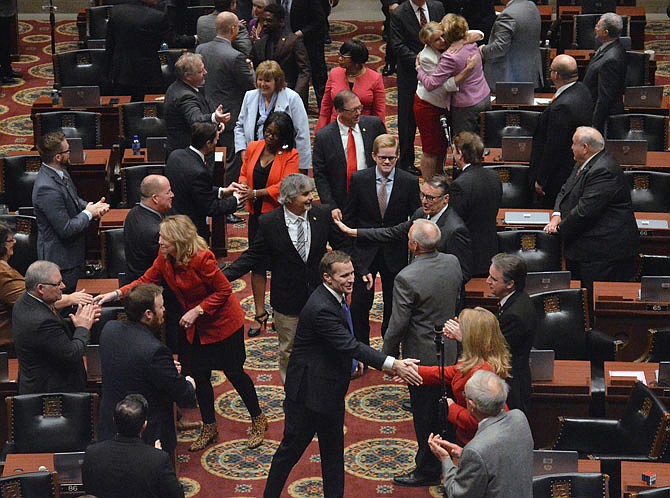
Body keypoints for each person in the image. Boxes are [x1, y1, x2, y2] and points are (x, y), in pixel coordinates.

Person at [95, 215, 266, 451]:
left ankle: (258, 419)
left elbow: (224, 289)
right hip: (193, 327)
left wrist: (198, 310)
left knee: (235, 373)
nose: (160, 241)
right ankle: (209, 425)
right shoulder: (164, 258)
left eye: (165, 237)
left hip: (222, 324)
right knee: (200, 375)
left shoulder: (202, 259)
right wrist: (115, 295)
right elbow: (145, 280)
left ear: (179, 240)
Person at [263, 250, 423, 498]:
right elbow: (350, 345)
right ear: (327, 278)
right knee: (290, 452)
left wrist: (348, 363)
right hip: (308, 396)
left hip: (329, 389)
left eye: (352, 273)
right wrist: (393, 364)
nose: (351, 279)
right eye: (344, 275)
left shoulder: (335, 296)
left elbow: (342, 342)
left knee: (333, 453)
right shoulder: (321, 308)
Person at [224, 174, 346, 382]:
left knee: (324, 347)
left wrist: (358, 270)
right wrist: (221, 277)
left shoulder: (322, 214)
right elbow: (252, 257)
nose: (311, 198)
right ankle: (293, 394)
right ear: (289, 199)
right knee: (289, 351)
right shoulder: (270, 222)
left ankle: (319, 389)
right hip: (288, 301)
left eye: (310, 192)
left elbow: (342, 246)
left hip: (320, 298)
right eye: (305, 194)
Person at [384, 219, 462, 487]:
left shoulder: (407, 277)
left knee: (425, 415)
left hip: (422, 358)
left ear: (414, 245)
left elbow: (398, 324)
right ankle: (450, 459)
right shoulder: (453, 262)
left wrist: (389, 359)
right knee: (448, 409)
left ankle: (427, 469)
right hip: (452, 349)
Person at [98, 284, 196, 455]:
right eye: (161, 306)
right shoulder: (155, 350)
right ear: (148, 314)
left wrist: (164, 368)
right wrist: (189, 383)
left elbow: (131, 365)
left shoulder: (109, 329)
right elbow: (183, 395)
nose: (164, 310)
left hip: (111, 425)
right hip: (145, 433)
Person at [544, 126, 639, 296]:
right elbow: (565, 191)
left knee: (596, 302)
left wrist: (558, 230)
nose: (571, 147)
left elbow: (585, 211)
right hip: (588, 249)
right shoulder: (583, 163)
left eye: (574, 143)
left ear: (585, 148)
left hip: (604, 253)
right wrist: (556, 215)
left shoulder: (604, 170)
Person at [343, 134, 420, 344]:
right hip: (364, 254)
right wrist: (354, 261)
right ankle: (361, 351)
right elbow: (349, 221)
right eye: (383, 158)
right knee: (359, 305)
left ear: (397, 157)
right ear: (374, 156)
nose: (387, 162)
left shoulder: (409, 182)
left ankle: (389, 350)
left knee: (393, 305)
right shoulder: (359, 179)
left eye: (392, 158)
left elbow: (416, 219)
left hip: (394, 253)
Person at [335, 174, 473, 284]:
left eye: (430, 198)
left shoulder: (455, 230)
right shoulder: (421, 213)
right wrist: (355, 232)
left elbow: (463, 273)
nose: (424, 201)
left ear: (446, 199)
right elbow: (393, 232)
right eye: (422, 195)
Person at [236, 111, 300, 337]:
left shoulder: (290, 155)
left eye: (275, 134)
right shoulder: (254, 146)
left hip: (278, 218)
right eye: (268, 132)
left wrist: (257, 192)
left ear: (284, 136)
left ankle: (280, 314)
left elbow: (286, 186)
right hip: (256, 217)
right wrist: (245, 187)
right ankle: (259, 313)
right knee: (257, 265)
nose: (270, 137)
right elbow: (244, 172)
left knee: (281, 266)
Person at [428, 370, 533, 498]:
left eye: (464, 395)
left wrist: (445, 459)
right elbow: (501, 458)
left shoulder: (476, 449)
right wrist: (463, 454)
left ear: (471, 405)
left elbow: (457, 493)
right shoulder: (519, 418)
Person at [415, 307, 511, 445]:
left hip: (476, 442)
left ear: (472, 336)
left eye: (461, 327)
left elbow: (478, 419)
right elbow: (451, 372)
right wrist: (413, 371)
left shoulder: (483, 372)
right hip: (468, 437)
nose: (456, 328)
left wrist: (451, 408)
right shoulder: (478, 358)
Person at [0, 222, 93, 356]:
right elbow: (32, 302)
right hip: (9, 346)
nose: (14, 242)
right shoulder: (3, 273)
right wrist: (71, 299)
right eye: (10, 240)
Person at [33, 131, 110, 292]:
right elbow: (66, 229)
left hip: (73, 254)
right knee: (65, 305)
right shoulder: (46, 188)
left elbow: (74, 200)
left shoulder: (59, 172)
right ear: (58, 157)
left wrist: (92, 207)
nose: (71, 153)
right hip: (61, 262)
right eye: (67, 150)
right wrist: (88, 213)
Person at [12, 260, 99, 394]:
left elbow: (52, 335)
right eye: (58, 284)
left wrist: (78, 320)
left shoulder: (25, 301)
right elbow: (72, 353)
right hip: (52, 394)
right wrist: (83, 327)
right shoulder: (41, 321)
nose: (63, 286)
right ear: (40, 288)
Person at [82, 394, 185, 498]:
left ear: (114, 420)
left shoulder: (92, 453)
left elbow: (89, 490)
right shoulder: (158, 459)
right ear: (144, 425)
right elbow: (177, 495)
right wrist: (156, 456)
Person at [196, 10, 256, 185]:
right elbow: (251, 86)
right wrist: (250, 68)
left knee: (208, 157)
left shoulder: (201, 49)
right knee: (230, 160)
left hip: (207, 111)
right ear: (233, 29)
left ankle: (210, 192)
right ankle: (228, 199)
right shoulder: (236, 57)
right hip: (230, 115)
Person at [414, 21, 479, 179]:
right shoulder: (427, 58)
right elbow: (442, 86)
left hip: (443, 105)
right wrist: (467, 70)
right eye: (437, 39)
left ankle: (439, 175)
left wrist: (463, 40)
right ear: (428, 43)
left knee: (442, 145)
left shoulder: (449, 43)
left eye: (443, 36)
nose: (442, 40)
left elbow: (479, 33)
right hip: (428, 106)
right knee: (430, 149)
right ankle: (430, 183)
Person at [530, 54, 593, 208]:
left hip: (559, 173)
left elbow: (553, 146)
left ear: (556, 75)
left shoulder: (562, 107)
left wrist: (541, 179)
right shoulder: (582, 89)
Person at [313, 89, 387, 221]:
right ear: (339, 111)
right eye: (353, 110)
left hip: (372, 197)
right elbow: (320, 175)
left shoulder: (374, 125)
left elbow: (388, 154)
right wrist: (331, 205)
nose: (358, 113)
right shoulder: (324, 137)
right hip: (342, 202)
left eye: (360, 107)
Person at [390, 0, 445, 174]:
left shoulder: (438, 7)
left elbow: (446, 36)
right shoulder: (399, 14)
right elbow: (398, 45)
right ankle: (406, 162)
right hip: (409, 74)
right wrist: (421, 60)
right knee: (407, 119)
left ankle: (439, 164)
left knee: (437, 117)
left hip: (439, 71)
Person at [416, 14, 491, 136]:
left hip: (466, 105)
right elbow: (478, 34)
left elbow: (431, 84)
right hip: (484, 96)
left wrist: (418, 69)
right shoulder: (470, 42)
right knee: (482, 141)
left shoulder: (450, 56)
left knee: (465, 145)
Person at [105, 0, 196, 100]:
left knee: (124, 110)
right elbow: (174, 41)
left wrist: (108, 73)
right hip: (147, 75)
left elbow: (109, 46)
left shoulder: (116, 12)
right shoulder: (157, 17)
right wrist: (195, 38)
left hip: (120, 73)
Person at [166, 122, 241, 240]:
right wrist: (236, 200)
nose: (217, 143)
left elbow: (194, 189)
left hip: (171, 221)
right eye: (216, 140)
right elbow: (210, 207)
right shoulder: (199, 172)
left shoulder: (175, 155)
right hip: (189, 230)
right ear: (208, 143)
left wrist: (222, 191)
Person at [235, 60, 311, 174]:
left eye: (267, 80)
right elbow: (239, 127)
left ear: (277, 81)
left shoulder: (292, 98)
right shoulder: (249, 96)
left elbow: (302, 134)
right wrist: (243, 150)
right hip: (254, 158)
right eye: (260, 79)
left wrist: (301, 166)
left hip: (283, 159)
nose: (262, 84)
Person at [486, 253, 536, 414]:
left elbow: (494, 348)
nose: (488, 281)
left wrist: (464, 336)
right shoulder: (518, 299)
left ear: (510, 284)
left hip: (512, 385)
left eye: (494, 279)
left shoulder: (514, 314)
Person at [450, 131, 502, 277]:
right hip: (490, 246)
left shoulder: (460, 185)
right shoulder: (494, 177)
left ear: (460, 154)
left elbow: (455, 222)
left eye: (454, 151)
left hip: (468, 252)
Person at [164, 52, 231, 159]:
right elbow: (195, 120)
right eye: (200, 71)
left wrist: (216, 122)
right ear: (187, 76)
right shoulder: (184, 96)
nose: (205, 72)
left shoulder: (180, 86)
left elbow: (204, 105)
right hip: (187, 156)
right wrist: (214, 117)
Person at [315, 40, 386, 132]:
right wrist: (320, 130)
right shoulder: (334, 73)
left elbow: (379, 111)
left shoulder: (375, 78)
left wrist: (380, 134)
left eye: (344, 57)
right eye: (339, 54)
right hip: (336, 127)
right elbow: (326, 105)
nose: (339, 59)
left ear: (356, 60)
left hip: (363, 128)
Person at [250, 3, 311, 107]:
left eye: (269, 20)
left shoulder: (293, 41)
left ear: (281, 22)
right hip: (266, 97)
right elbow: (253, 65)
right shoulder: (260, 44)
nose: (264, 23)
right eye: (263, 20)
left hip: (288, 95)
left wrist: (295, 95)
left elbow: (304, 71)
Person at [480, 0, 543, 91]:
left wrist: (482, 50)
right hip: (529, 74)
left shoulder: (507, 16)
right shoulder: (531, 6)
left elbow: (499, 48)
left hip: (507, 78)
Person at [124, 175, 174, 282]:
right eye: (168, 192)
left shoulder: (133, 213)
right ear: (155, 198)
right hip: (151, 288)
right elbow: (167, 267)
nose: (172, 195)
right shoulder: (156, 232)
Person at [583, 12, 626, 133]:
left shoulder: (611, 59)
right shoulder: (610, 47)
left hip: (603, 120)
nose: (595, 28)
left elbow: (604, 98)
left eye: (598, 26)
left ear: (606, 32)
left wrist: (594, 126)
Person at [283, 0, 328, 107]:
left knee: (317, 73)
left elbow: (319, 20)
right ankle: (300, 106)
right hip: (289, 41)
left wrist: (300, 33)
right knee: (295, 73)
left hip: (310, 40)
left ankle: (323, 106)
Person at [0, 0, 19, 84]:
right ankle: (4, 73)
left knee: (7, 42)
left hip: (6, 9)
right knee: (2, 43)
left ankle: (7, 69)